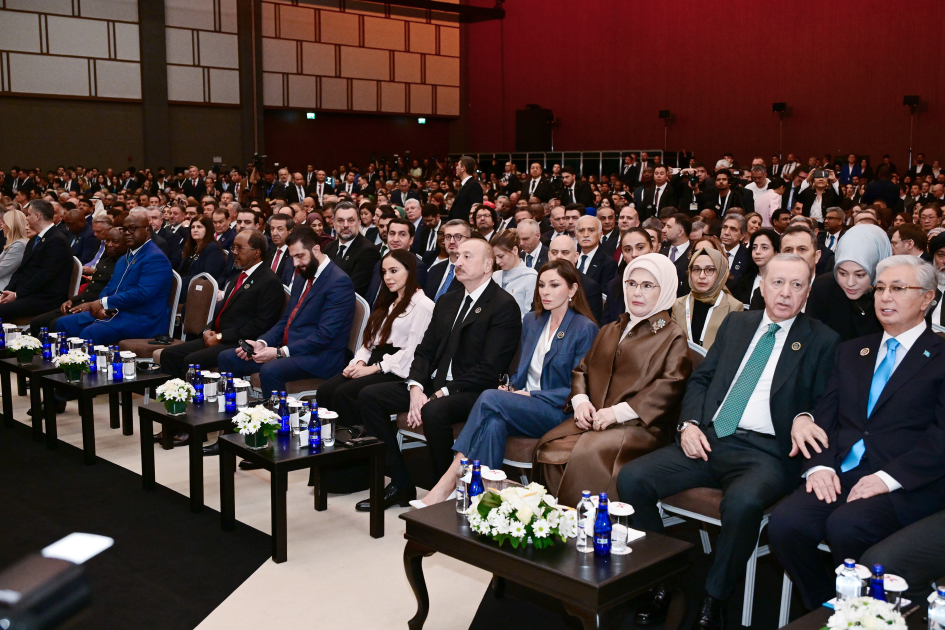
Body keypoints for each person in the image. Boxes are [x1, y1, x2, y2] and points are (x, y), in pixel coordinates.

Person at [617, 254, 840, 630]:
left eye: (796, 285)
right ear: (762, 286)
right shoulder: (738, 323)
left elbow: (826, 403)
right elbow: (702, 379)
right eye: (777, 283)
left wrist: (806, 416)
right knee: (632, 478)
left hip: (767, 453)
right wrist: (688, 425)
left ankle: (714, 597)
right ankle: (661, 579)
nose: (785, 293)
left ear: (808, 291)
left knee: (743, 504)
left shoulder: (823, 340)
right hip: (711, 437)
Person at [769, 255, 945, 612]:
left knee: (847, 527)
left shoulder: (940, 357)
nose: (885, 297)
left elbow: (940, 438)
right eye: (880, 288)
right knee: (785, 524)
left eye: (898, 288)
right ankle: (827, 607)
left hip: (905, 481)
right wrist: (819, 466)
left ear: (927, 298)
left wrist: (887, 478)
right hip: (843, 471)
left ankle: (867, 613)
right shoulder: (853, 350)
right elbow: (825, 416)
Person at [412, 260, 598, 507]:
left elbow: (579, 388)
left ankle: (450, 480)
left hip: (559, 411)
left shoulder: (584, 328)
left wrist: (530, 396)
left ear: (572, 289)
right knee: (493, 423)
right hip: (524, 404)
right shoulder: (532, 320)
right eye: (541, 285)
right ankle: (482, 502)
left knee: (489, 397)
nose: (545, 292)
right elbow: (522, 370)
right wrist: (511, 389)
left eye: (554, 285)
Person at [355, 239, 521, 511]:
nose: (458, 262)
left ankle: (443, 491)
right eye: (458, 256)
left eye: (467, 257)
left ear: (488, 265)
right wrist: (416, 387)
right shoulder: (448, 300)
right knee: (370, 396)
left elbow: (490, 368)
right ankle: (400, 481)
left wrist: (440, 393)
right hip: (437, 383)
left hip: (474, 390)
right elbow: (425, 350)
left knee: (434, 411)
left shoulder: (503, 305)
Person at [536, 254, 693, 507]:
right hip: (597, 419)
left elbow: (668, 386)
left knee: (588, 452)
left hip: (641, 427)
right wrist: (581, 401)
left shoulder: (672, 335)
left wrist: (616, 413)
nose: (637, 292)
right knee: (549, 446)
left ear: (665, 290)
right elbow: (582, 369)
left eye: (647, 285)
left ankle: (590, 523)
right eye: (631, 284)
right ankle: (557, 519)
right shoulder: (611, 329)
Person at [217, 226, 355, 394]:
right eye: (292, 257)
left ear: (316, 250)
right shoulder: (302, 277)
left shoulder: (338, 282)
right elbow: (286, 320)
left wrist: (280, 352)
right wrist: (262, 343)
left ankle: (276, 411)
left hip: (320, 357)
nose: (295, 264)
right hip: (291, 350)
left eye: (299, 256)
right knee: (227, 357)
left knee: (270, 369)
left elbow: (325, 335)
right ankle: (236, 407)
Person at [316, 250, 434, 435]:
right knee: (325, 390)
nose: (387, 277)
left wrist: (374, 368)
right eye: (384, 272)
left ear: (410, 271)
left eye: (394, 271)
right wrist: (359, 363)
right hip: (376, 362)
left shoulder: (423, 306)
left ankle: (355, 446)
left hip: (397, 369)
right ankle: (328, 442)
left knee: (344, 393)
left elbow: (412, 352)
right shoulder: (389, 301)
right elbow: (369, 342)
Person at [158, 230, 284, 381]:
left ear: (256, 252)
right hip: (221, 337)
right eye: (233, 248)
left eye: (239, 248)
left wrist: (221, 336)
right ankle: (172, 394)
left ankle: (191, 396)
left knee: (191, 361)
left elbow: (261, 325)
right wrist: (208, 330)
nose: (234, 252)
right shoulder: (240, 276)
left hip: (238, 342)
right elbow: (223, 310)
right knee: (169, 354)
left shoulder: (269, 281)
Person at [56, 210, 172, 344]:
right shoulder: (124, 258)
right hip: (116, 312)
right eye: (125, 229)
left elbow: (142, 294)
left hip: (142, 318)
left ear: (147, 231)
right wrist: (102, 307)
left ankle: (84, 358)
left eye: (133, 229)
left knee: (91, 333)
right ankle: (66, 358)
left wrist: (103, 303)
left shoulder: (155, 257)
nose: (127, 233)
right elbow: (110, 286)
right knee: (63, 324)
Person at [30, 227, 126, 336]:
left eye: (115, 242)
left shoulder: (123, 265)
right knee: (37, 322)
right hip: (80, 303)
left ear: (126, 244)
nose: (109, 245)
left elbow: (110, 294)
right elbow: (91, 287)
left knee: (56, 324)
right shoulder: (106, 260)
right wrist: (72, 300)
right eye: (107, 241)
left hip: (94, 308)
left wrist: (91, 305)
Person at [806, 224, 889, 342]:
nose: (850, 283)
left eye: (860, 275)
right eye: (843, 273)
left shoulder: (893, 292)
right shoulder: (823, 288)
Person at [0, 200, 73, 320]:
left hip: (45, 298)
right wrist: (7, 292)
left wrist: (17, 294)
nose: (27, 218)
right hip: (28, 293)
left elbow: (44, 276)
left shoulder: (57, 240)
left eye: (29, 215)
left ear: (38, 216)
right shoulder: (36, 239)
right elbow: (21, 270)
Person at [672, 247, 743, 349]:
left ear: (720, 273)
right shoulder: (678, 304)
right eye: (696, 269)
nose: (702, 276)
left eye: (709, 270)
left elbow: (732, 348)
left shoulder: (733, 307)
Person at [323, 201, 380, 299]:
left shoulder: (368, 251)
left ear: (359, 223)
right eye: (340, 220)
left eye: (350, 220)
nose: (345, 225)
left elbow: (353, 290)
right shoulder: (329, 247)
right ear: (334, 224)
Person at [365, 217, 427, 307]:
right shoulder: (381, 262)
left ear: (411, 240)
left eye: (402, 234)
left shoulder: (417, 266)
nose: (395, 239)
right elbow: (370, 295)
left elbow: (410, 303)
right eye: (392, 234)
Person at [602, 227, 653, 326]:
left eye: (640, 248)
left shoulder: (664, 282)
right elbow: (606, 325)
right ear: (623, 256)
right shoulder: (614, 285)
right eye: (628, 250)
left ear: (651, 249)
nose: (634, 254)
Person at [547, 234, 603, 324]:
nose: (559, 256)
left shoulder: (590, 287)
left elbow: (591, 325)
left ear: (576, 257)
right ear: (549, 256)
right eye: (554, 252)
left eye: (565, 252)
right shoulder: (543, 282)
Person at [491, 228, 537, 318]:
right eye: (495, 257)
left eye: (501, 256)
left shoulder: (531, 277)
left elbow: (529, 315)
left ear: (515, 250)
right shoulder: (495, 276)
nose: (497, 261)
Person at [179, 216, 228, 291]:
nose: (195, 230)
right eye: (192, 227)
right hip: (183, 288)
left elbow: (208, 276)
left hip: (199, 290)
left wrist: (180, 281)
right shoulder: (191, 247)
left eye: (199, 227)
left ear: (207, 230)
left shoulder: (213, 248)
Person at [425, 219, 469, 302]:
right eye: (448, 237)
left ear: (468, 240)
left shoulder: (472, 272)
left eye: (458, 237)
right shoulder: (434, 270)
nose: (452, 241)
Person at [575, 215, 618, 290]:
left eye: (591, 230)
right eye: (581, 230)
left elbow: (604, 294)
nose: (585, 235)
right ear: (576, 234)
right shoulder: (570, 257)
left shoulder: (608, 263)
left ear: (600, 235)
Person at [659, 213, 692, 297]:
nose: (663, 230)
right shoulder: (661, 253)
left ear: (680, 232)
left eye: (669, 227)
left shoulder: (694, 255)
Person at [448, 156, 484, 222]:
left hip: (465, 225)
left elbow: (476, 210)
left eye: (458, 165)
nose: (456, 167)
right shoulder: (465, 185)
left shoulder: (473, 185)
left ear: (463, 169)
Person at [0, 210, 28, 291]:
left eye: (4, 222)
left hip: (4, 289)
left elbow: (2, 270)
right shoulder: (13, 243)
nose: (2, 226)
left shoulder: (19, 245)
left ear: (10, 226)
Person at [265, 213, 295, 285]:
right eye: (272, 229)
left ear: (290, 231)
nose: (274, 233)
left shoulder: (293, 255)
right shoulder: (269, 254)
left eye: (280, 229)